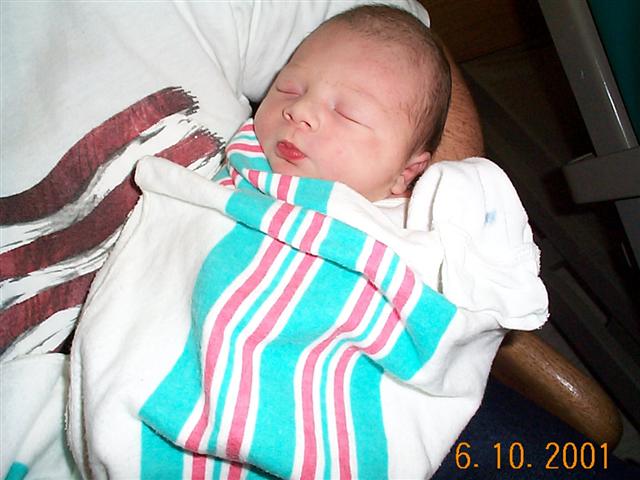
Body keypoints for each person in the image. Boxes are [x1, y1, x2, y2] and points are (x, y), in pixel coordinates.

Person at [254, 5, 451, 203]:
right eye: (289, 89)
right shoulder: (245, 155)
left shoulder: (417, 218)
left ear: (405, 172)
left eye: (346, 114)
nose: (299, 110)